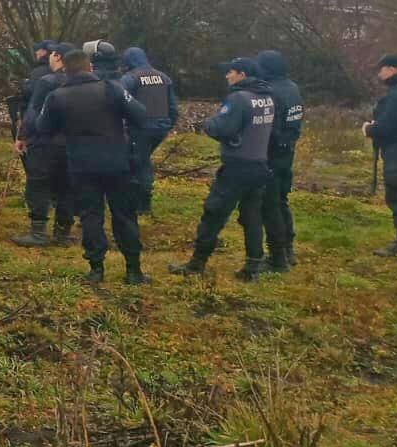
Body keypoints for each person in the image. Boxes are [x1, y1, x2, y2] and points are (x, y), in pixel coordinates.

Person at [37, 50, 149, 283]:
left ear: (65, 70)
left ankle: (96, 269)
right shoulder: (112, 88)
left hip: (82, 164)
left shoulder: (57, 96)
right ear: (90, 67)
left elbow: (43, 127)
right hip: (117, 162)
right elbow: (140, 114)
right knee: (124, 215)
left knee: (90, 216)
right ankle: (133, 270)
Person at [170, 58, 277, 280]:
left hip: (237, 167)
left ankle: (196, 264)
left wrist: (208, 124)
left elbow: (222, 128)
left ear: (243, 74)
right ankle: (253, 267)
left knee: (213, 213)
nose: (227, 76)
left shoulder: (238, 99)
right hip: (259, 165)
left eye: (231, 72)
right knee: (252, 216)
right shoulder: (266, 97)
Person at [13, 44, 76, 246]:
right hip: (73, 143)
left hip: (45, 142)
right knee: (66, 188)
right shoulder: (81, 81)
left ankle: (38, 233)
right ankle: (63, 234)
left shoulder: (47, 82)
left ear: (57, 57)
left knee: (38, 184)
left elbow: (33, 113)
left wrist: (22, 137)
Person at [254, 50, 303, 271]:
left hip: (271, 154)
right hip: (287, 152)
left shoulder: (270, 92)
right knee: (281, 201)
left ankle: (277, 256)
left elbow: (268, 127)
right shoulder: (292, 87)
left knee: (270, 205)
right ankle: (288, 249)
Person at [118, 47, 179, 215]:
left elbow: (120, 101)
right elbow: (173, 108)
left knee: (139, 162)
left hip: (140, 128)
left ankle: (141, 204)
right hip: (161, 127)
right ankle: (138, 199)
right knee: (142, 159)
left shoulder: (130, 78)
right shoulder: (164, 77)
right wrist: (167, 125)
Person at [364, 54, 397, 257]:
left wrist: (369, 129)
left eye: (382, 69)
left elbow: (387, 128)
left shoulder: (396, 96)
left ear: (393, 69)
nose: (380, 73)